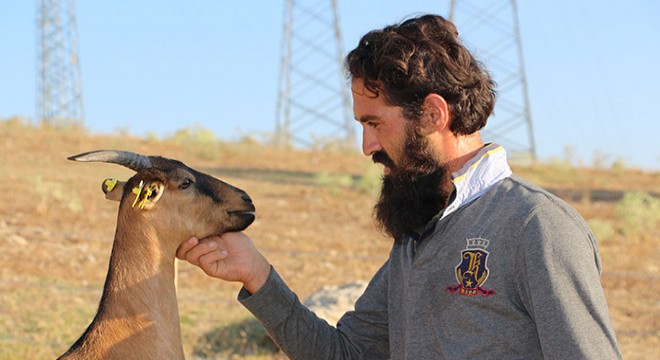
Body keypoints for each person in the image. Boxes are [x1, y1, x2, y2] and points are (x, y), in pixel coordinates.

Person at [177, 14, 622, 359]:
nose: (367, 145)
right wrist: (257, 275)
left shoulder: (536, 227)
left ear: (432, 114)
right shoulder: (418, 235)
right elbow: (345, 354)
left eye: (374, 123)